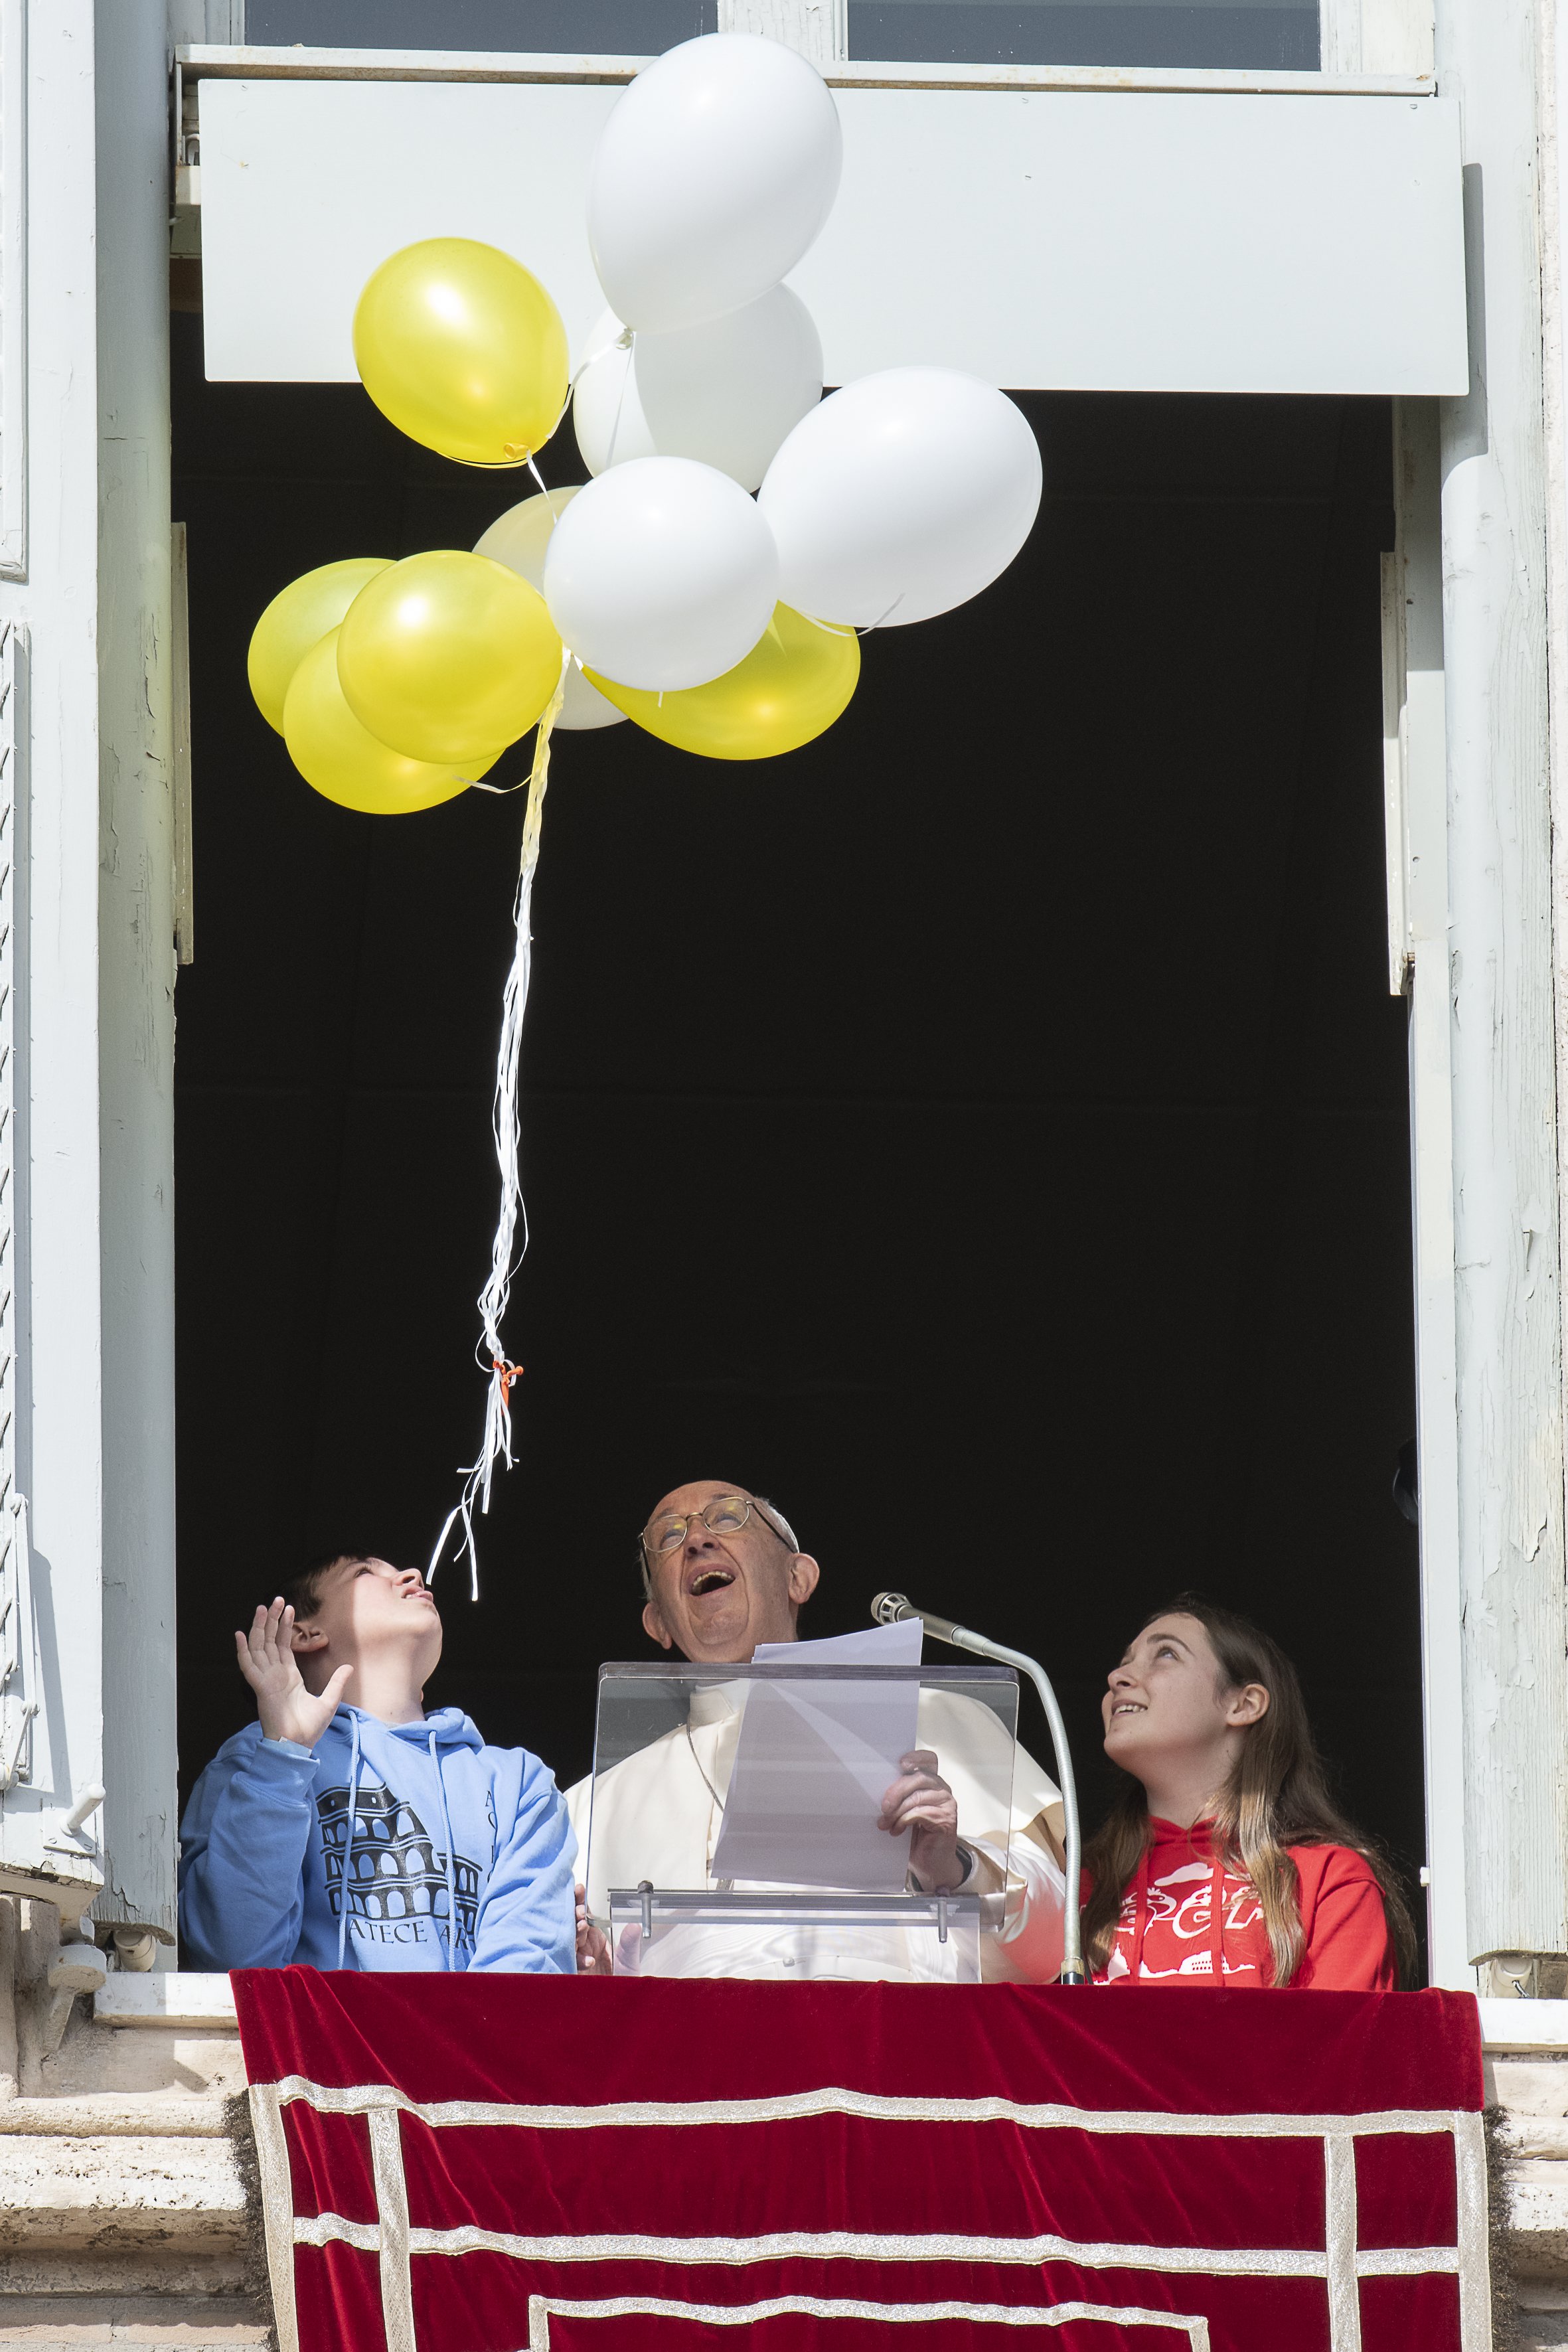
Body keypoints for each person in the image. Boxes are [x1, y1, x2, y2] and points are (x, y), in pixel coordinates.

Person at [568, 1481, 1067, 1982]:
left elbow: (1057, 1945)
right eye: (669, 1535)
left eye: (727, 1518)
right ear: (658, 1622)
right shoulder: (589, 1806)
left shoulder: (941, 1716)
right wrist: (599, 1977)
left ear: (798, 1578)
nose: (697, 1539)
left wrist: (954, 1866)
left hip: (894, 2022)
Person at [179, 1553, 576, 1974]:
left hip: (466, 2024)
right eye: (365, 1572)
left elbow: (522, 1986)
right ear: (303, 1632)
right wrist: (285, 1756)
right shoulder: (256, 1759)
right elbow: (232, 1961)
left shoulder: (519, 1784)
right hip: (317, 2023)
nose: (412, 1575)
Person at [1083, 1594, 1415, 1989]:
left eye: (1166, 1654)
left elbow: (1341, 2031)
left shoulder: (1328, 1880)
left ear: (1244, 1705)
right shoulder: (1072, 1888)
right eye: (1125, 1661)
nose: (1117, 1677)